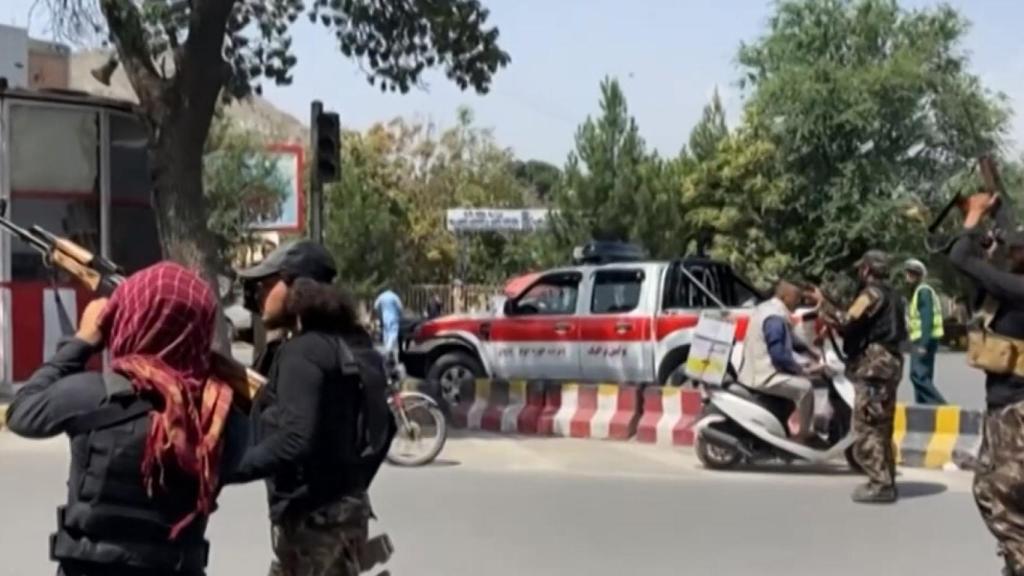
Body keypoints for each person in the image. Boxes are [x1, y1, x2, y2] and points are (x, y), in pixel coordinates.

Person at [5, 262, 245, 576]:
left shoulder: (91, 395)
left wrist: (82, 341)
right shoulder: (218, 416)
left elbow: (21, 412)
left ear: (129, 319)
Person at [231, 240, 388, 576]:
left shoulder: (303, 352)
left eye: (267, 284)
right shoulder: (355, 346)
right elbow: (383, 428)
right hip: (346, 514)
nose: (259, 295)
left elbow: (294, 438)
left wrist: (227, 470)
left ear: (296, 287)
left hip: (314, 525)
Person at [947, 192, 1024, 576]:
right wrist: (988, 246)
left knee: (997, 492)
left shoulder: (1019, 288)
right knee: (993, 490)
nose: (1009, 251)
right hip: (1003, 406)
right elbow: (979, 290)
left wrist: (974, 216)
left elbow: (960, 259)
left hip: (1016, 411)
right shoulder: (1010, 289)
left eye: (1015, 248)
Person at [814, 250, 907, 504]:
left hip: (874, 365)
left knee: (868, 425)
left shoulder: (871, 294)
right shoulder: (894, 295)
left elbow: (846, 320)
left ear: (866, 270)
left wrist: (822, 303)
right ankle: (885, 479)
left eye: (861, 269)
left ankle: (880, 485)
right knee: (882, 424)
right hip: (889, 363)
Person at [739, 279, 823, 444]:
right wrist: (801, 370)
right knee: (806, 389)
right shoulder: (775, 318)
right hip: (763, 375)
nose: (798, 302)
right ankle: (804, 435)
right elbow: (779, 356)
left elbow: (792, 340)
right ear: (785, 297)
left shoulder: (769, 308)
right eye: (796, 298)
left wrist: (811, 353)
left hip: (755, 370)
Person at [903, 258, 947, 405]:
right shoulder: (919, 292)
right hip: (922, 339)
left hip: (923, 339)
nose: (908, 276)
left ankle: (941, 406)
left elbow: (927, 319)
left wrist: (923, 344)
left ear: (919, 276)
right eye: (908, 272)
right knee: (923, 376)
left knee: (917, 375)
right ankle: (923, 410)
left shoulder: (923, 292)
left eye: (912, 273)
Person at [374, 288, 403, 360]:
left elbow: (376, 306)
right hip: (394, 317)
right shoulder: (394, 296)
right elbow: (400, 307)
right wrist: (400, 315)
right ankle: (388, 349)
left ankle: (388, 349)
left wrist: (379, 314)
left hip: (385, 317)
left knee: (386, 333)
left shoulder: (381, 296)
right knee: (393, 333)